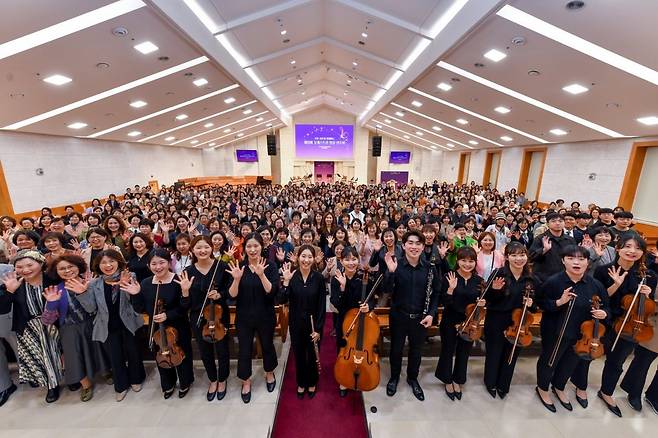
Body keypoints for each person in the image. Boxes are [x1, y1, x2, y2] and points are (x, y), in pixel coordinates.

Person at [534, 246, 608, 413]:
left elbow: (607, 308)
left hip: (581, 336)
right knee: (548, 362)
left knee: (570, 363)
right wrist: (559, 302)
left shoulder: (595, 285)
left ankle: (559, 387)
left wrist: (603, 313)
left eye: (581, 259)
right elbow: (541, 303)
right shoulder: (553, 282)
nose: (576, 262)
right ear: (563, 261)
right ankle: (542, 388)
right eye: (571, 258)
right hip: (555, 332)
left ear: (588, 262)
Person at [594, 235, 656, 416]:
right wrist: (615, 285)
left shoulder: (649, 275)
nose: (632, 251)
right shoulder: (603, 270)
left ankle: (606, 392)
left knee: (616, 362)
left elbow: (648, 305)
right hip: (604, 320)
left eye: (637, 248)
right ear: (618, 248)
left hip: (631, 325)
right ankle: (578, 386)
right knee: (588, 356)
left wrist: (649, 293)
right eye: (627, 246)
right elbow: (598, 299)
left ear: (643, 252)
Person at [74, 249, 146, 401]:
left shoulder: (130, 276)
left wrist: (125, 285)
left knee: (133, 352)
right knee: (115, 357)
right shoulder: (94, 283)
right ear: (98, 266)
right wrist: (82, 293)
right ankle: (120, 386)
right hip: (107, 325)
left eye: (111, 261)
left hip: (128, 322)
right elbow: (91, 308)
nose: (108, 265)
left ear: (118, 262)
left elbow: (133, 302)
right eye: (103, 263)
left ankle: (136, 379)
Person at [125, 249, 195, 399]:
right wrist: (136, 294)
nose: (158, 267)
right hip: (156, 328)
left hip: (178, 326)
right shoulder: (145, 283)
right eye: (154, 264)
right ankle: (168, 384)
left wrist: (183, 293)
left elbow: (185, 307)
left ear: (169, 263)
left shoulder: (178, 280)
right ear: (149, 265)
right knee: (161, 355)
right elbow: (140, 308)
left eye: (162, 262)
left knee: (182, 355)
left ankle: (185, 381)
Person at [41, 255, 109, 402]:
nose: (67, 270)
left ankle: (106, 372)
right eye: (62, 268)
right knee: (74, 357)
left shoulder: (91, 283)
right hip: (69, 328)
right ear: (56, 272)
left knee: (100, 349)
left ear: (79, 267)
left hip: (92, 323)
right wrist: (51, 304)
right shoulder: (55, 290)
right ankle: (85, 385)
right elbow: (47, 321)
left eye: (70, 266)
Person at [384, 231, 441, 401]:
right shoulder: (396, 265)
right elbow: (386, 290)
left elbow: (436, 292)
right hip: (399, 316)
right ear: (404, 245)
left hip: (420, 318)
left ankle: (412, 378)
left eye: (418, 243)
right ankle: (394, 377)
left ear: (423, 247)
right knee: (396, 349)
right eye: (410, 243)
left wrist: (431, 314)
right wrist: (391, 272)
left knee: (416, 351)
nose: (414, 246)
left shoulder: (430, 268)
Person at [0, 250, 62, 403]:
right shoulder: (15, 282)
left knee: (53, 355)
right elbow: (3, 309)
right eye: (19, 266)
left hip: (52, 323)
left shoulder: (52, 279)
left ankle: (66, 380)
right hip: (27, 326)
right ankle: (50, 385)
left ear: (40, 264)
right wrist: (9, 291)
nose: (25, 270)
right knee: (40, 357)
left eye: (29, 265)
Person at [227, 232, 279, 403]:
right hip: (244, 316)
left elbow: (271, 292)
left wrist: (261, 275)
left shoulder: (270, 266)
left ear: (261, 247)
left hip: (265, 314)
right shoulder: (238, 266)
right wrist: (236, 279)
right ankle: (246, 381)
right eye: (249, 246)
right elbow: (232, 295)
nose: (252, 249)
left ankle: (269, 373)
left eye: (256, 245)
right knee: (244, 349)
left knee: (267, 345)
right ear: (244, 248)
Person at [180, 236, 231, 401]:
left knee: (223, 350)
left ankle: (222, 379)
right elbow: (185, 304)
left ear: (212, 247)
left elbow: (230, 292)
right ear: (192, 249)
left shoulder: (221, 267)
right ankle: (212, 379)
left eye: (206, 247)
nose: (202, 251)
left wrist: (220, 294)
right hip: (198, 316)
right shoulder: (187, 271)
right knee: (205, 351)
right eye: (198, 247)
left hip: (219, 314)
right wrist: (186, 291)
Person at [483, 242, 536, 399]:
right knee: (494, 353)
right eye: (514, 255)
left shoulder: (531, 278)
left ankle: (503, 385)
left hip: (519, 322)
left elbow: (534, 305)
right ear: (507, 257)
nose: (518, 259)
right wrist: (495, 291)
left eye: (521, 255)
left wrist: (532, 304)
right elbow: (487, 299)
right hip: (497, 319)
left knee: (511, 354)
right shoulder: (498, 273)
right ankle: (491, 383)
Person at [435, 246, 484, 401]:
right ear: (457, 260)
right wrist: (450, 289)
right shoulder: (449, 276)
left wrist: (482, 303)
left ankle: (458, 379)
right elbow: (443, 302)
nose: (467, 264)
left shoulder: (479, 281)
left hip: (470, 323)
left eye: (471, 261)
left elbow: (482, 303)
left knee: (464, 352)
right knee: (448, 351)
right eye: (463, 260)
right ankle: (447, 379)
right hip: (450, 320)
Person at [280, 246, 325, 399]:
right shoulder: (291, 276)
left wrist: (318, 329)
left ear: (314, 259)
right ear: (298, 257)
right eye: (303, 256)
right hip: (296, 323)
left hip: (313, 324)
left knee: (312, 354)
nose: (306, 260)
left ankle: (312, 381)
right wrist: (285, 282)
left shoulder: (318, 278)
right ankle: (301, 382)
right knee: (299, 354)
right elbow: (282, 299)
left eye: (309, 257)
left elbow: (321, 306)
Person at [330, 246, 374, 397]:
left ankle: (360, 371)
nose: (351, 263)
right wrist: (343, 288)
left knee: (360, 348)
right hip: (343, 321)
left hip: (361, 321)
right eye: (347, 259)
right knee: (343, 350)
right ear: (341, 261)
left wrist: (369, 306)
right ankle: (343, 378)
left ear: (358, 260)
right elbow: (335, 302)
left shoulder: (363, 277)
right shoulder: (336, 278)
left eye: (354, 259)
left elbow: (371, 299)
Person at [529, 212, 576, 282]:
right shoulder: (541, 238)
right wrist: (544, 250)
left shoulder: (570, 239)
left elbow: (574, 258)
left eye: (560, 221)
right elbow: (531, 257)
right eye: (553, 221)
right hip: (543, 278)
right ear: (547, 224)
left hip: (564, 277)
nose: (557, 223)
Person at [0, 263, 18, 406]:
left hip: (6, 315)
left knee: (18, 346)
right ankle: (5, 386)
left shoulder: (6, 269)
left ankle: (30, 374)